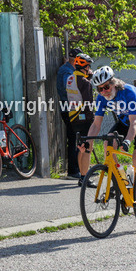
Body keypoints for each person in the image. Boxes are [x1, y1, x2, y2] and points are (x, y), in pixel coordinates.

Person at [84, 67, 136, 211]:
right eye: (100, 89)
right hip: (124, 123)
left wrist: (128, 141)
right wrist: (87, 142)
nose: (104, 91)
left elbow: (134, 123)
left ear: (114, 83)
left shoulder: (128, 92)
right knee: (108, 143)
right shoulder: (101, 98)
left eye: (106, 87)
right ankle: (120, 179)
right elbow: (96, 124)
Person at [57, 50, 87, 178]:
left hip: (71, 108)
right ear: (74, 59)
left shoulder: (68, 69)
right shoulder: (66, 71)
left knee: (77, 137)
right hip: (69, 108)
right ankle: (73, 170)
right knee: (74, 138)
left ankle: (80, 169)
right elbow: (69, 87)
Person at [65, 54, 95, 179]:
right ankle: (84, 176)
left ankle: (81, 174)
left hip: (73, 117)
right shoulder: (84, 82)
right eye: (88, 65)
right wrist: (93, 119)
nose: (89, 68)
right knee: (87, 148)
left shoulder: (70, 78)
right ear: (85, 66)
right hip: (84, 118)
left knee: (80, 147)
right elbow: (88, 102)